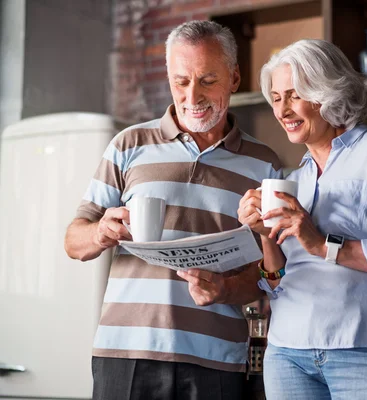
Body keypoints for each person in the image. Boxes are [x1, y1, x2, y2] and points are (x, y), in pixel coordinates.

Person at [64, 20, 282, 400]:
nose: (192, 95)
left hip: (216, 360)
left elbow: (271, 277)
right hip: (126, 352)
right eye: (181, 81)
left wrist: (227, 288)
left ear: (234, 77)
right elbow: (73, 240)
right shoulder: (128, 145)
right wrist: (100, 232)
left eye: (207, 80)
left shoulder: (264, 166)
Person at [237, 39, 367, 400]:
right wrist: (264, 235)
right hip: (287, 354)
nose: (282, 109)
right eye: (275, 98)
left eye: (293, 95)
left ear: (326, 92)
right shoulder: (291, 178)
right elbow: (276, 283)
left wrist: (323, 244)